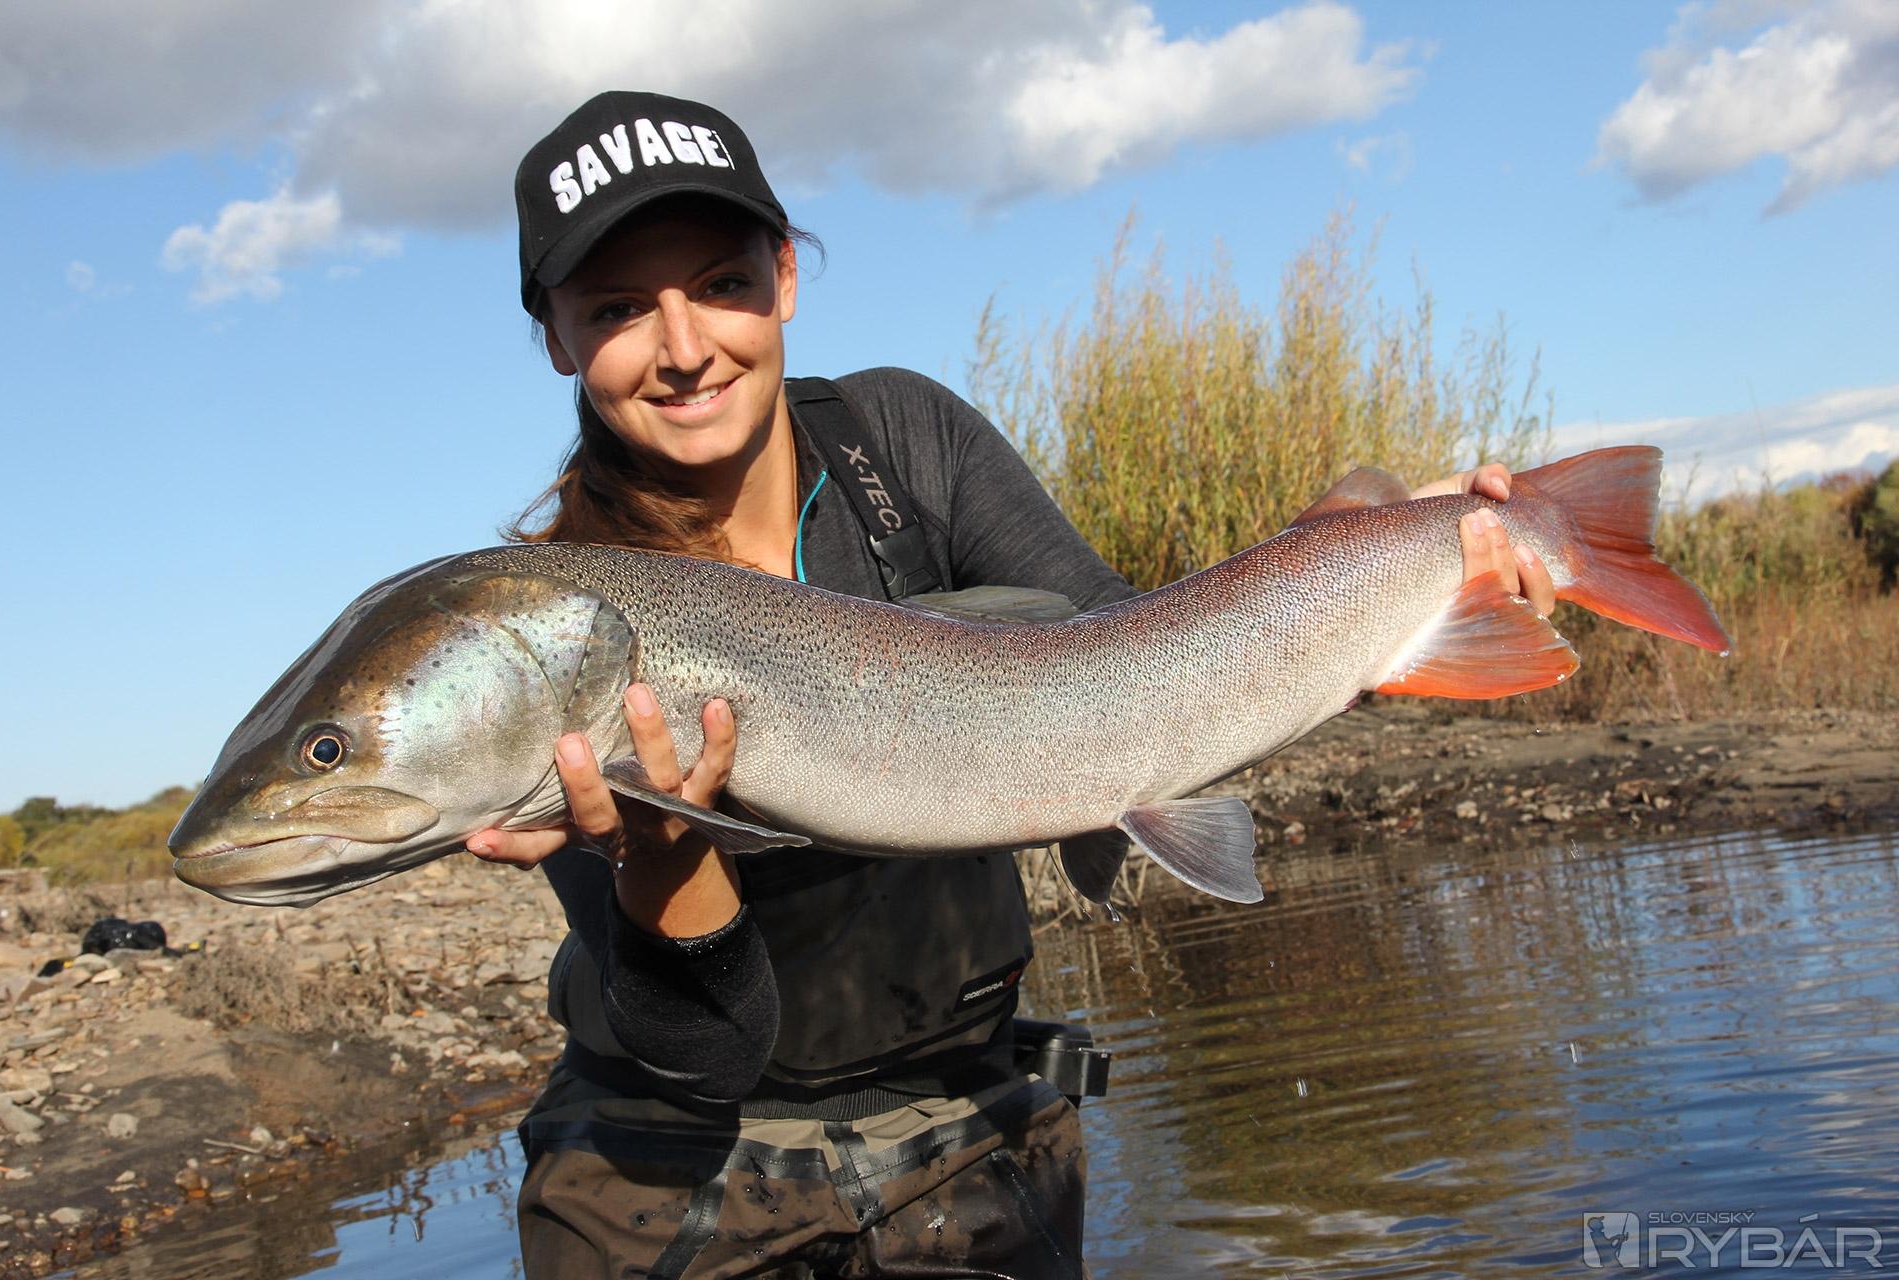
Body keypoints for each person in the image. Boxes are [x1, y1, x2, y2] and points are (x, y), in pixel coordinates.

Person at [464, 90, 1555, 1280]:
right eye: (618, 307)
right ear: (556, 333)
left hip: (970, 1138)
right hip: (668, 1177)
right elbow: (709, 1050)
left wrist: (1369, 569)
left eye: (721, 282)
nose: (683, 347)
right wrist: (660, 858)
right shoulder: (555, 630)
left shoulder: (901, 440)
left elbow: (1131, 662)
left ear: (784, 275)